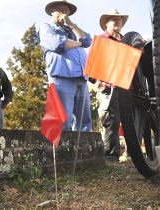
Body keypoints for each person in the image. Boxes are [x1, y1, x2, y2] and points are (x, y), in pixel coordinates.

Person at [39, 0, 92, 131]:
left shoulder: (72, 30)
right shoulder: (46, 27)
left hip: (81, 79)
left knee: (84, 121)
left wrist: (71, 23)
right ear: (52, 12)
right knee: (63, 121)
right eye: (59, 9)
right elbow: (58, 44)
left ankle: (83, 151)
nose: (63, 12)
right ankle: (63, 151)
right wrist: (79, 43)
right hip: (61, 78)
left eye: (66, 10)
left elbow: (87, 40)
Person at [96, 9, 128, 161]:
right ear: (105, 24)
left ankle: (132, 154)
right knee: (111, 120)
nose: (118, 21)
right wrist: (98, 80)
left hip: (128, 86)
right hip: (109, 86)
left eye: (120, 19)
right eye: (113, 19)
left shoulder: (127, 40)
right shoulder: (101, 39)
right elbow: (93, 64)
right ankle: (110, 155)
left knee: (130, 120)